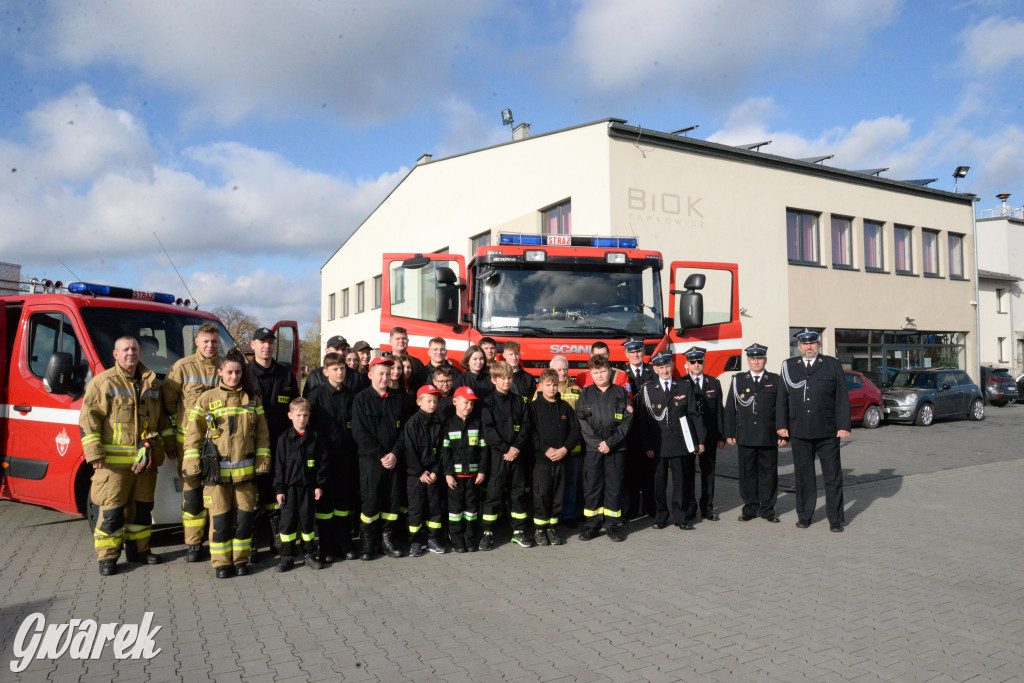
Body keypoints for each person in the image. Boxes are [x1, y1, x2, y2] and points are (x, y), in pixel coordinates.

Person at [80, 336, 169, 576]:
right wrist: (94, 453)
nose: (131, 352)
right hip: (112, 465)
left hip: (145, 462)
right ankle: (108, 557)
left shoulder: (152, 383)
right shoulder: (103, 382)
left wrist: (170, 447)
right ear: (115, 354)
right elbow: (88, 420)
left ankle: (139, 551)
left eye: (135, 348)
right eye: (126, 349)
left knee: (142, 510)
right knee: (111, 511)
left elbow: (162, 420)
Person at [183, 350, 271, 578]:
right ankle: (222, 564)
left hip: (246, 476)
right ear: (220, 372)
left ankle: (240, 561)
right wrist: (192, 463)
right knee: (220, 522)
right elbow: (193, 434)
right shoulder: (206, 399)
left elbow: (262, 435)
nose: (234, 376)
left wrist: (263, 461)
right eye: (230, 372)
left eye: (238, 372)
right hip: (216, 475)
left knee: (243, 522)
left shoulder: (252, 400)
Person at [777, 329, 851, 532]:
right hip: (799, 430)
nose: (808, 347)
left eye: (812, 343)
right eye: (804, 344)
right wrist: (781, 425)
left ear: (818, 344)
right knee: (803, 476)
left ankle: (835, 519)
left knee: (833, 477)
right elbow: (781, 398)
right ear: (798, 346)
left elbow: (842, 397)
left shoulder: (832, 364)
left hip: (827, 430)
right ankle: (805, 515)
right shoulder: (789, 366)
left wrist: (844, 425)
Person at [161, 323, 220, 563]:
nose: (210, 345)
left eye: (214, 341)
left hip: (219, 443)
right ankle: (194, 544)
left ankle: (217, 539)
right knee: (193, 493)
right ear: (197, 342)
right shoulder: (182, 368)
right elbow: (167, 405)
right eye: (205, 341)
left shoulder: (227, 367)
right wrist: (171, 441)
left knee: (218, 493)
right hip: (190, 444)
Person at [351, 356, 412, 559]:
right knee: (371, 501)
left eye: (388, 374)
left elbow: (405, 430)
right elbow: (360, 433)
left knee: (392, 502)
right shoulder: (361, 399)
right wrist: (381, 455)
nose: (385, 377)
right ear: (370, 375)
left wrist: (395, 453)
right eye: (381, 374)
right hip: (371, 461)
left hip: (394, 460)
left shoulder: (399, 398)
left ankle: (387, 539)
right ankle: (369, 543)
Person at [248, 327, 299, 555]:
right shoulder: (244, 373)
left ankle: (278, 537)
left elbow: (295, 407)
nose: (267, 346)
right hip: (250, 443)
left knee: (276, 492)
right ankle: (250, 541)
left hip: (279, 443)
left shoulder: (285, 373)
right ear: (253, 345)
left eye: (270, 342)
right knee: (250, 493)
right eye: (262, 342)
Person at [641, 351, 705, 530]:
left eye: (667, 366)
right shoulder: (648, 389)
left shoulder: (684, 386)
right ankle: (661, 516)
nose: (664, 370)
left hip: (680, 442)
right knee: (659, 483)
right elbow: (643, 421)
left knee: (681, 481)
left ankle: (680, 516)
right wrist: (647, 445)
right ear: (655, 369)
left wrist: (700, 440)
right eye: (660, 367)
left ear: (672, 366)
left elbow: (694, 415)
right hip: (657, 444)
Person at [306, 352, 359, 562]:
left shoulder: (352, 395)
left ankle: (343, 543)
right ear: (325, 371)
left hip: (346, 458)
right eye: (335, 369)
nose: (340, 373)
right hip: (324, 460)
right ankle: (326, 547)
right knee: (326, 506)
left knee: (344, 504)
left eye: (343, 368)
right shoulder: (316, 397)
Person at [724, 343, 786, 523]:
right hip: (746, 436)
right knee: (747, 474)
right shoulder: (738, 380)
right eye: (753, 358)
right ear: (748, 360)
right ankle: (750, 508)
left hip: (768, 436)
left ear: (765, 360)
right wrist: (730, 432)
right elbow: (730, 409)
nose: (756, 361)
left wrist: (783, 433)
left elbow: (781, 408)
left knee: (768, 474)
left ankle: (767, 509)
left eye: (759, 358)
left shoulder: (775, 380)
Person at [575, 355, 633, 542]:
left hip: (616, 449)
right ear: (591, 374)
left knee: (614, 487)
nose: (600, 375)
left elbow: (627, 420)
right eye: (596, 372)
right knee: (592, 487)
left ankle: (613, 526)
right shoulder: (585, 394)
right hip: (593, 450)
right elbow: (581, 421)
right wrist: (597, 444)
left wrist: (611, 443)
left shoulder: (620, 393)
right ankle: (592, 525)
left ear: (610, 371)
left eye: (603, 371)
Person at [480, 361, 534, 550]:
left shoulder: (519, 401)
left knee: (518, 495)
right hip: (498, 458)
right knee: (493, 496)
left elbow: (526, 428)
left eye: (509, 378)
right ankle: (487, 533)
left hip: (517, 456)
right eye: (502, 378)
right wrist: (506, 449)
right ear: (494, 380)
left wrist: (516, 448)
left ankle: (518, 532)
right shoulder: (487, 402)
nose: (507, 382)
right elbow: (489, 431)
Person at [273, 398, 327, 572]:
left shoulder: (316, 437)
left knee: (307, 522)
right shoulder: (284, 438)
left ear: (309, 416)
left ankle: (309, 554)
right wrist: (279, 489)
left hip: (308, 488)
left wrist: (319, 485)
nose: (301, 419)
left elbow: (322, 463)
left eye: (305, 415)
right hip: (289, 489)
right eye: (298, 415)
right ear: (290, 416)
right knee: (287, 524)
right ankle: (287, 556)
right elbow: (279, 465)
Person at [530, 369, 581, 546]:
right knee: (541, 495)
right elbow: (531, 433)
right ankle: (539, 529)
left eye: (554, 385)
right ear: (541, 386)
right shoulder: (534, 407)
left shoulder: (565, 407)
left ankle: (551, 528)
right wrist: (545, 449)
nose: (552, 388)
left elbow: (575, 431)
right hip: (541, 461)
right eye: (548, 385)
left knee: (558, 496)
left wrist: (565, 449)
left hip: (561, 460)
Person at [400, 384, 448, 557]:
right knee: (416, 509)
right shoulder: (412, 423)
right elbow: (409, 451)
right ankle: (414, 541)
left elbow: (443, 449)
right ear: (419, 402)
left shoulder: (438, 423)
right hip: (416, 476)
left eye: (435, 401)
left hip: (433, 474)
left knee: (434, 508)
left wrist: (435, 471)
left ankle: (433, 540)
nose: (433, 404)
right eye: (429, 401)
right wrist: (420, 472)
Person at [442, 387, 488, 553]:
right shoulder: (448, 424)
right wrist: (447, 474)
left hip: (473, 477)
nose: (469, 406)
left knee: (471, 510)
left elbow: (483, 450)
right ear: (455, 401)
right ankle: (457, 540)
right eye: (465, 402)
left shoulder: (476, 424)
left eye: (471, 403)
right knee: (455, 511)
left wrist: (482, 471)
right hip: (455, 478)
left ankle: (470, 539)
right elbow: (445, 452)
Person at [682, 346, 725, 522]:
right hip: (689, 436)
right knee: (688, 472)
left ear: (704, 362)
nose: (697, 364)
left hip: (709, 436)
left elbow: (719, 412)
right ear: (687, 364)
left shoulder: (714, 383)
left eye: (700, 361)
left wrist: (722, 436)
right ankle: (690, 507)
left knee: (708, 473)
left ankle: (707, 508)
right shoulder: (681, 383)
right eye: (693, 362)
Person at [622, 337, 656, 520]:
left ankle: (651, 508)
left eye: (639, 350)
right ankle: (632, 508)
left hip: (651, 427)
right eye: (632, 351)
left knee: (651, 471)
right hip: (631, 430)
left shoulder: (653, 371)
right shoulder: (622, 374)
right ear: (626, 354)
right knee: (631, 473)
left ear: (644, 352)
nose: (636, 354)